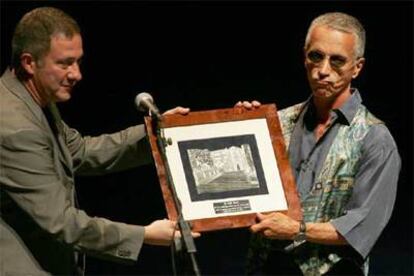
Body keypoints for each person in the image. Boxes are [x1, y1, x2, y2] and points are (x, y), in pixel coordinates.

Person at [0, 7, 199, 276]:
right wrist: (143, 235)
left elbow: (80, 150)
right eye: (64, 63)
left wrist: (157, 134)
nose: (76, 74)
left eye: (78, 62)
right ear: (28, 62)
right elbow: (63, 222)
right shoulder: (16, 127)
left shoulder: (32, 99)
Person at [238, 12, 401, 275]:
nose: (323, 70)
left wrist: (298, 230)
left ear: (357, 67)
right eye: (316, 56)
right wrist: (239, 129)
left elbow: (362, 226)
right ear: (305, 56)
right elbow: (241, 190)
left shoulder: (374, 139)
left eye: (337, 61)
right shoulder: (276, 125)